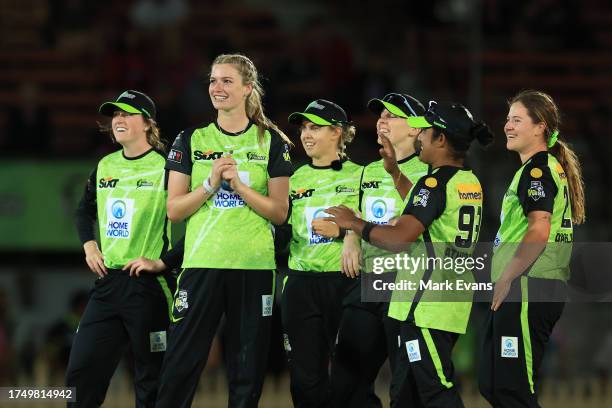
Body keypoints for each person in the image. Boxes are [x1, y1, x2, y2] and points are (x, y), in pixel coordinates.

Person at [325, 101, 494, 407]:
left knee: (435, 389)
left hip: (425, 304)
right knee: (408, 394)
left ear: (440, 139)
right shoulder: (467, 181)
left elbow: (400, 238)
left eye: (426, 132)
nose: (420, 138)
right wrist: (396, 175)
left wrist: (354, 223)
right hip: (449, 298)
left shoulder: (433, 182)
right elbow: (429, 213)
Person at [156, 53, 293, 408]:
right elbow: (174, 210)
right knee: (180, 363)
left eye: (227, 81)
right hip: (202, 262)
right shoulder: (190, 139)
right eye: (213, 81)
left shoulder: (272, 143)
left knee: (247, 371)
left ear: (248, 88)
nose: (217, 88)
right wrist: (211, 184)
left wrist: (241, 189)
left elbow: (279, 213)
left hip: (254, 267)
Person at [66, 90, 178, 408]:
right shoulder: (105, 165)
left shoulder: (167, 167)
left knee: (151, 380)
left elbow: (200, 222)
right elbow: (82, 211)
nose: (118, 119)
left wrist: (163, 262)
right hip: (108, 284)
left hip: (149, 285)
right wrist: (89, 245)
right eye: (115, 114)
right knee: (80, 373)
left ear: (147, 123)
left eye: (127, 114)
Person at [322, 93, 430, 407]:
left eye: (391, 116)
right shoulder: (369, 171)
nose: (381, 121)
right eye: (380, 116)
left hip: (407, 287)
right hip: (369, 283)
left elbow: (410, 227)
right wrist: (350, 239)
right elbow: (352, 218)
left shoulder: (430, 174)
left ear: (413, 128)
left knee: (404, 390)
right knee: (344, 383)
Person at [478, 90, 585, 407]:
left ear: (540, 127)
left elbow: (539, 227)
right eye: (507, 119)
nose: (507, 126)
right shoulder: (536, 169)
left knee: (513, 390)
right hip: (522, 288)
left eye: (517, 120)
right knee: (492, 383)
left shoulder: (538, 170)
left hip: (528, 285)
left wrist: (509, 275)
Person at [280, 99, 362, 407]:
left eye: (315, 127)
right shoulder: (292, 178)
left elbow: (381, 228)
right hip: (300, 284)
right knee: (304, 381)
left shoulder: (364, 176)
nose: (306, 134)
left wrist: (346, 231)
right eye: (303, 127)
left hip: (345, 282)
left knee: (348, 379)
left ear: (337, 132)